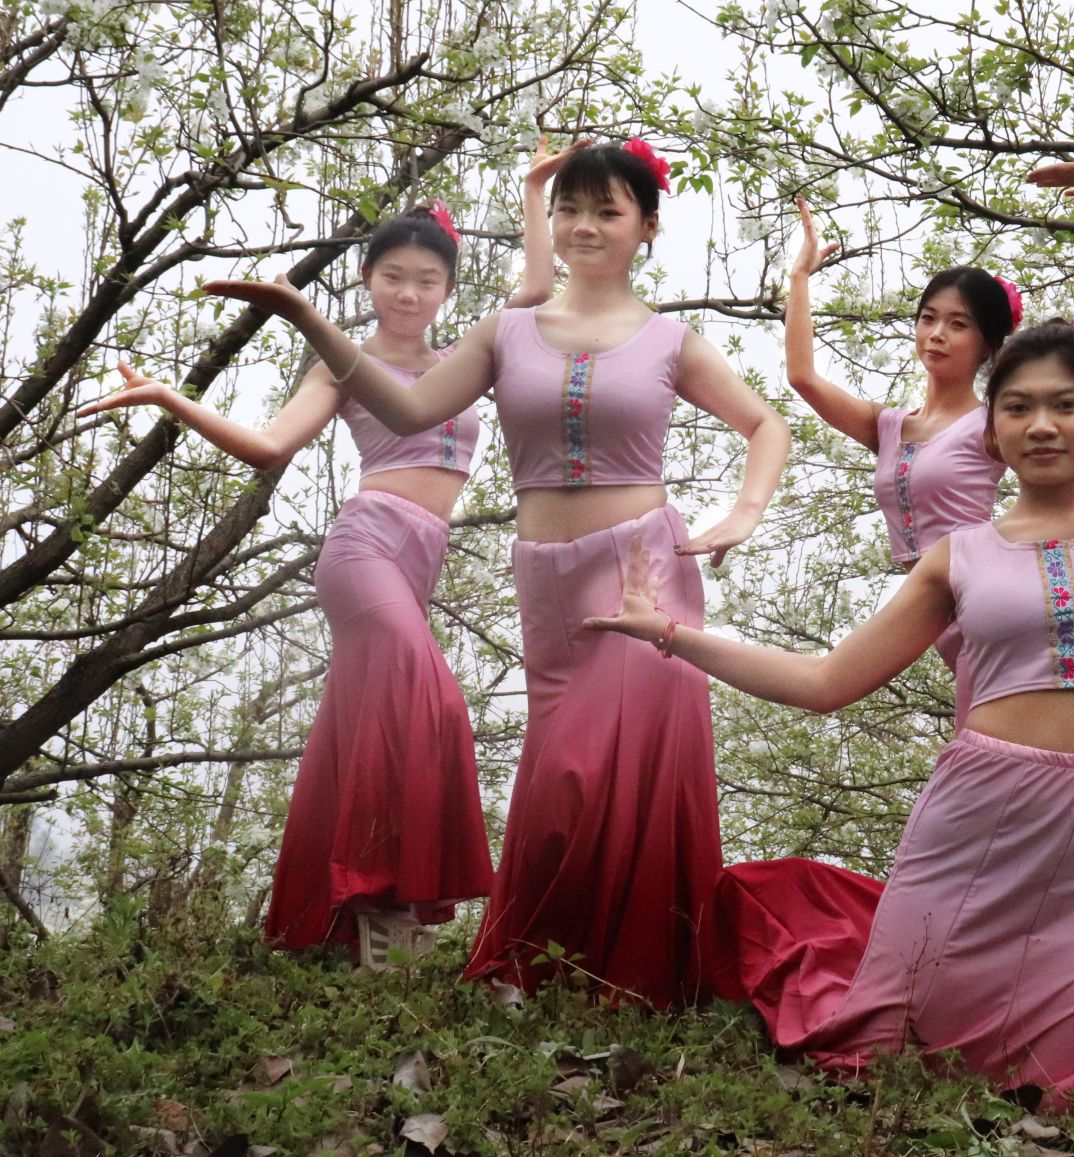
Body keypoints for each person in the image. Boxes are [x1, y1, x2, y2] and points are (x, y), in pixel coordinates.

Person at [588, 124, 1074, 1106]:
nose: (1042, 424)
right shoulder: (955, 558)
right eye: (1018, 408)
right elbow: (824, 683)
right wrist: (670, 633)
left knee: (1053, 1080)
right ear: (991, 432)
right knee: (892, 1051)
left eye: (1065, 405)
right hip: (970, 812)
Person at [203, 139, 790, 1007]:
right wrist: (304, 315)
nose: (585, 225)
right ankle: (547, 967)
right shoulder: (506, 333)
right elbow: (407, 406)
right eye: (570, 208)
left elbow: (767, 424)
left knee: (609, 773)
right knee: (555, 784)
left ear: (646, 227)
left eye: (607, 211)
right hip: (546, 578)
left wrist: (743, 512)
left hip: (641, 567)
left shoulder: (673, 341)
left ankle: (641, 973)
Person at [80, 200, 549, 965]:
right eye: (393, 276)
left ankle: (339, 923)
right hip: (366, 549)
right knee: (432, 702)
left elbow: (533, 293)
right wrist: (170, 398)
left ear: (448, 289)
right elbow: (269, 446)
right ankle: (386, 904)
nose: (409, 292)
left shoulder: (465, 359)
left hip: (418, 559)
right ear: (366, 278)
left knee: (366, 728)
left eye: (427, 279)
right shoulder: (342, 363)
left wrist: (534, 190)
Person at [784, 198, 1074, 996]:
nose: (938, 333)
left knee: (1053, 771)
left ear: (989, 345)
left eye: (959, 323)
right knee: (1023, 784)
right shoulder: (893, 425)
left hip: (1008, 606)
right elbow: (802, 378)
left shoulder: (994, 422)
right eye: (928, 317)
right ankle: (1046, 955)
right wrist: (801, 276)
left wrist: (1073, 539)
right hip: (942, 606)